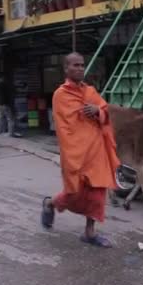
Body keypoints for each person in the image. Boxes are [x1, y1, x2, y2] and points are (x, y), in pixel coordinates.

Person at [40, 52, 120, 248]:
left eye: (82, 65)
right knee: (74, 193)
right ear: (66, 69)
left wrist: (98, 111)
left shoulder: (91, 92)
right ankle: (51, 203)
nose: (80, 68)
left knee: (97, 193)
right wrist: (73, 153)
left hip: (96, 152)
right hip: (76, 152)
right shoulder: (61, 95)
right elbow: (63, 128)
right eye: (75, 65)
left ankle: (89, 232)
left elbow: (106, 111)